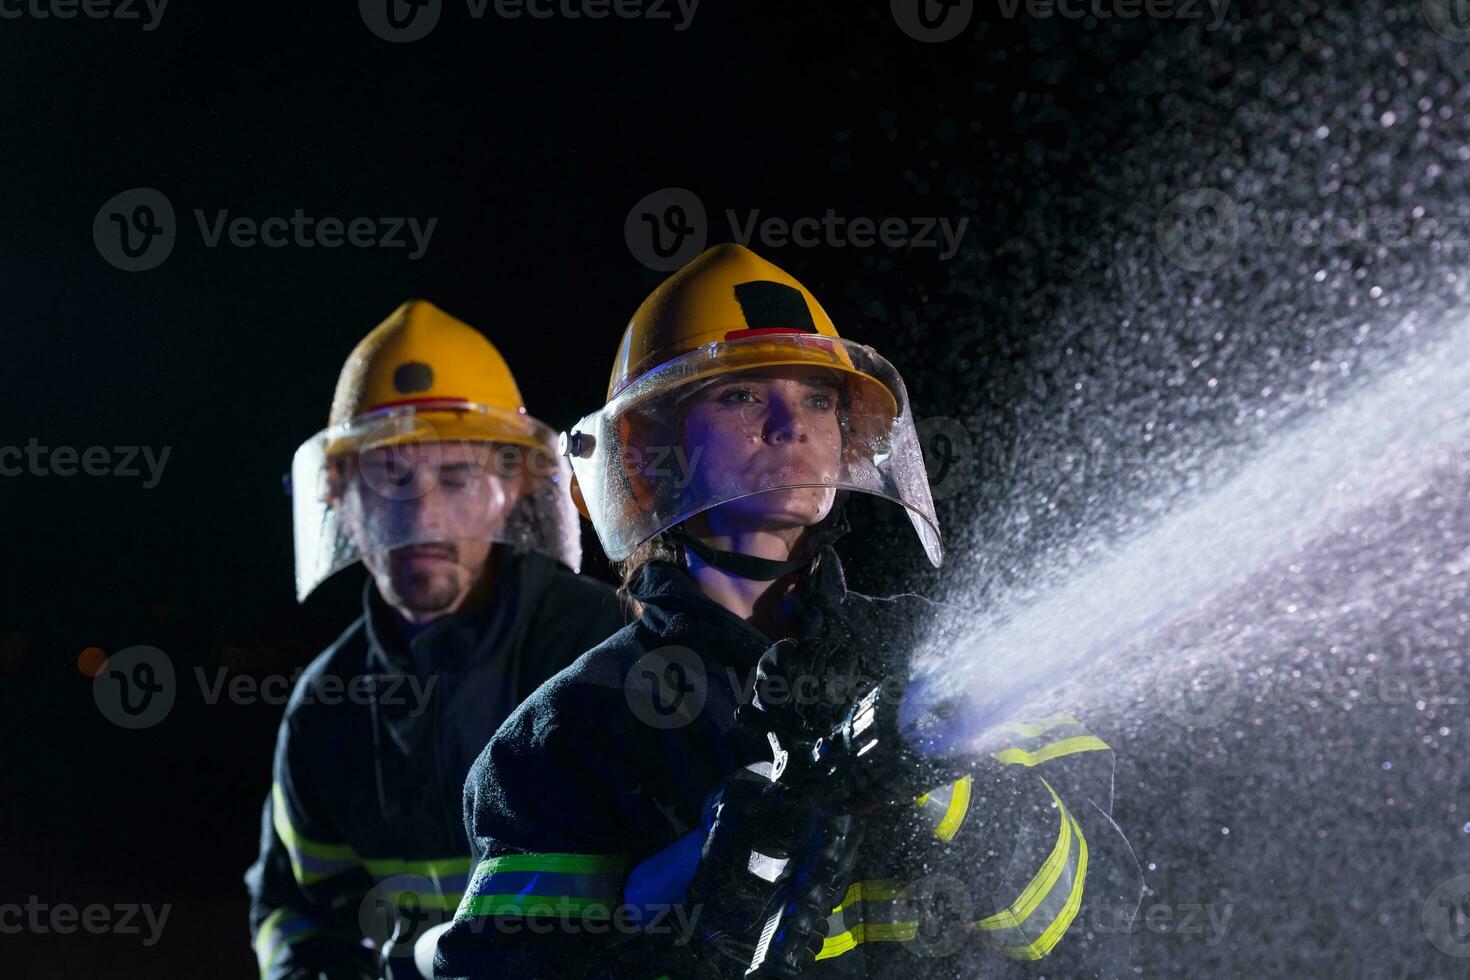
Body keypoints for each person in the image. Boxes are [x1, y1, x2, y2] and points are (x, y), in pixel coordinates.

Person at [434, 245, 1141, 978]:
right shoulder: (564, 740)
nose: (790, 425)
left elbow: (1107, 917)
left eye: (818, 398)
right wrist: (708, 897)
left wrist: (938, 777)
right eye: (740, 396)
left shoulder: (941, 654)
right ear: (652, 450)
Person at [245, 300, 626, 980]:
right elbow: (293, 914)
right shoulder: (323, 710)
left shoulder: (608, 650)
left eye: (457, 478)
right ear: (338, 493)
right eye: (390, 478)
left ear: (512, 487)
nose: (421, 515)